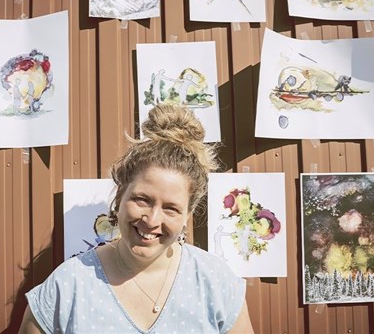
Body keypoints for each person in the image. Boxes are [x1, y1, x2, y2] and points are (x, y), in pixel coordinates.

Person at [19, 104, 254, 333]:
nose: (152, 220)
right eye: (142, 199)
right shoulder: (68, 285)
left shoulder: (216, 283)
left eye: (171, 208)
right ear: (120, 196)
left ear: (187, 216)